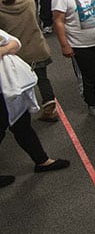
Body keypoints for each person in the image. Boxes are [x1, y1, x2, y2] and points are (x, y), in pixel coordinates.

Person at [0, 28, 70, 188]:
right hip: (4, 92)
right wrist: (5, 49)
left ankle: (42, 160)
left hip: (8, 90)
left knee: (22, 125)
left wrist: (2, 50)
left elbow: (15, 43)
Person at [0, 0, 58, 121]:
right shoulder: (29, 0)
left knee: (17, 85)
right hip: (38, 48)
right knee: (43, 79)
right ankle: (50, 108)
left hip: (16, 55)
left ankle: (20, 115)